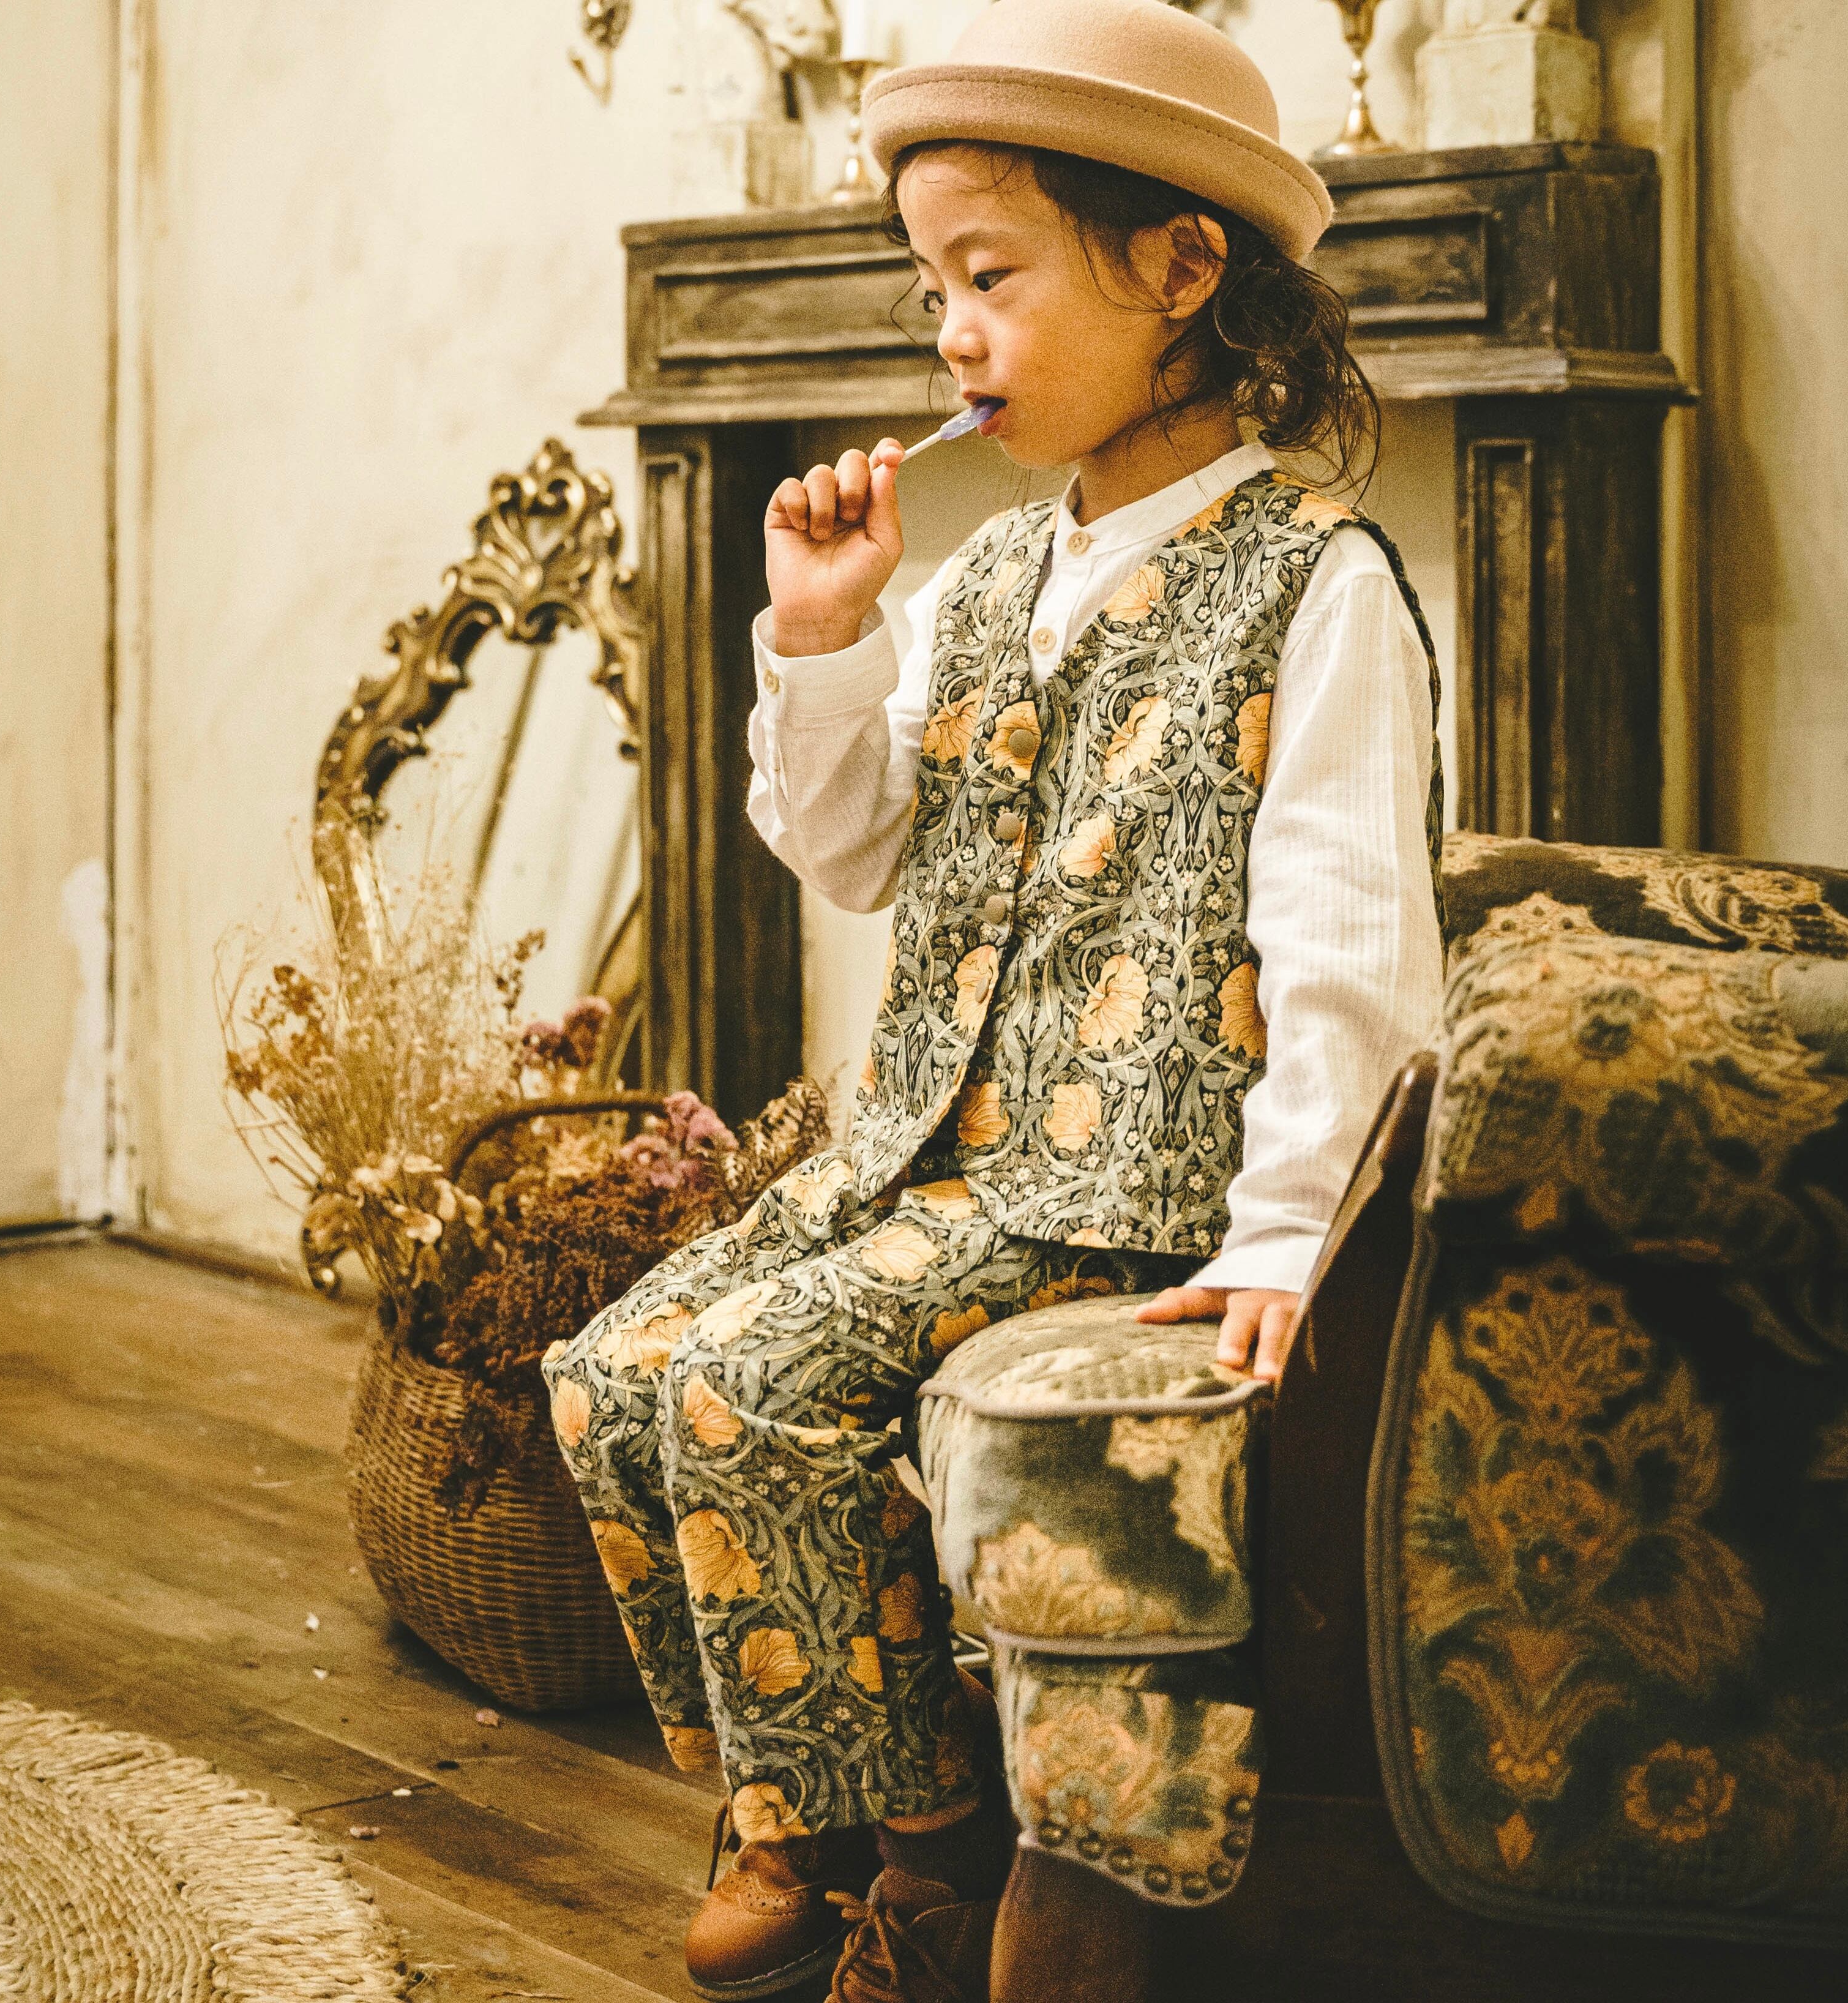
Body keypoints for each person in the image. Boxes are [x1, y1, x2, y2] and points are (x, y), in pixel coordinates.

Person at [543, 3, 1445, 1997]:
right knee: (608, 1370)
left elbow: (1352, 942)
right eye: (930, 290)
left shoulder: (1318, 582)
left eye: (992, 278)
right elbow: (854, 849)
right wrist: (820, 637)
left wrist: (1291, 1229)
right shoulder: (987, 574)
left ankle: (927, 1859)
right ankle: (803, 1793)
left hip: (1116, 1189)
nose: (952, 334)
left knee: (747, 1386)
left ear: (1182, 269)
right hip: (925, 1160)